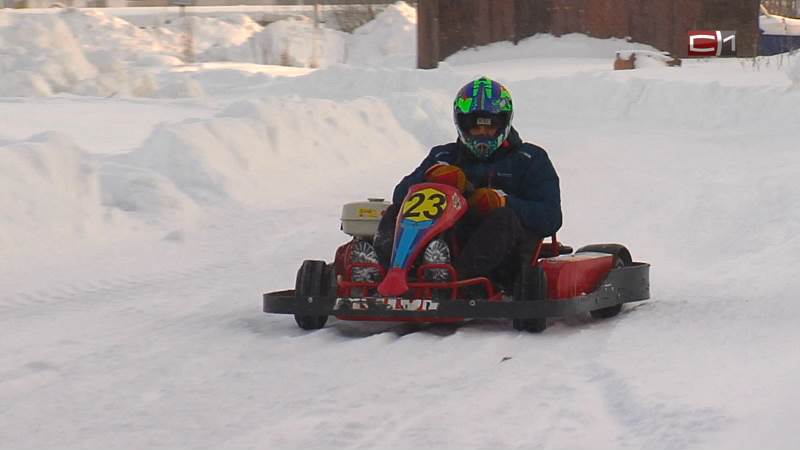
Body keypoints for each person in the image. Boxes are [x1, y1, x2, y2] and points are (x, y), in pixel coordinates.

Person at [372, 76, 562, 285]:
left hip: (505, 258)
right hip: (450, 238)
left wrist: (504, 202)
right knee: (395, 210)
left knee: (502, 218)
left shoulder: (530, 159)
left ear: (504, 123)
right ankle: (384, 271)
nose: (482, 133)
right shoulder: (443, 156)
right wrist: (430, 175)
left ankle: (452, 280)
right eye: (475, 127)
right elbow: (400, 195)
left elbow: (550, 217)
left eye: (489, 127)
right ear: (461, 124)